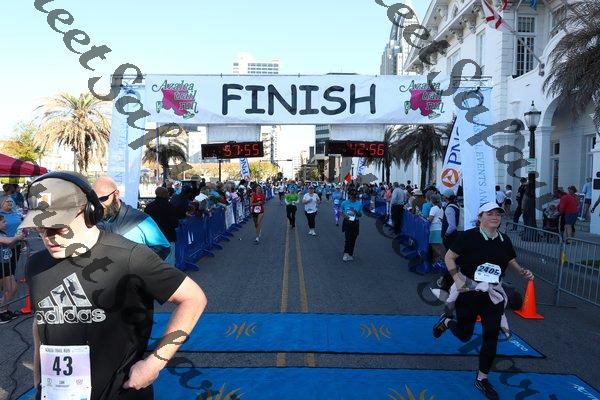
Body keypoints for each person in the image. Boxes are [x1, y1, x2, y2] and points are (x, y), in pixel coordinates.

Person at [21, 171, 207, 400]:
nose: (48, 237)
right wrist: (39, 378)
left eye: (57, 227)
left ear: (89, 211)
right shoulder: (36, 265)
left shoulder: (130, 256)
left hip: (120, 392)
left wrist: (155, 363)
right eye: (40, 228)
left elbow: (193, 298)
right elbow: (41, 320)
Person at [433, 202, 534, 400]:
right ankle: (447, 321)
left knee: (491, 335)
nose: (495, 217)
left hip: (493, 295)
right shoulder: (468, 236)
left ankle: (482, 378)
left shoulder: (504, 240)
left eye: (498, 214)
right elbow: (449, 257)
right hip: (469, 292)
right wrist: (457, 279)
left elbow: (510, 260)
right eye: (490, 213)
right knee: (464, 334)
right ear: (480, 217)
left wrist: (522, 271)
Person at [93, 176, 171, 260]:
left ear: (116, 194)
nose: (99, 204)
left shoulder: (141, 219)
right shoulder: (93, 220)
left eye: (103, 198)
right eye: (94, 200)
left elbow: (163, 248)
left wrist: (134, 261)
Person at [144, 187, 179, 265]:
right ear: (164, 194)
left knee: (154, 260)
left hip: (153, 237)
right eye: (167, 193)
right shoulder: (170, 206)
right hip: (168, 236)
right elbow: (175, 223)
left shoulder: (149, 206)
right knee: (169, 260)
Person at [0, 214, 24, 323]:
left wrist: (17, 240)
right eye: (3, 222)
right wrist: (17, 237)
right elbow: (8, 241)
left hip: (5, 265)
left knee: (10, 289)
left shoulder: (3, 233)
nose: (6, 223)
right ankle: (2, 310)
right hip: (1, 266)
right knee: (12, 288)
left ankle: (5, 309)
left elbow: (9, 245)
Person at [341, 189, 363, 261]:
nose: (353, 197)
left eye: (354, 195)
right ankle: (345, 253)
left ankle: (350, 254)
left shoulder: (359, 203)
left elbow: (360, 215)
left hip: (355, 222)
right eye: (352, 195)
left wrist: (356, 212)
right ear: (349, 195)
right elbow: (342, 211)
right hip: (347, 221)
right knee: (348, 238)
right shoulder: (344, 203)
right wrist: (345, 216)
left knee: (353, 239)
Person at [428, 194, 445, 265]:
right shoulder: (440, 208)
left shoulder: (433, 208)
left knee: (435, 247)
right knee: (439, 246)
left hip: (434, 229)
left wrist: (426, 219)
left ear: (431, 200)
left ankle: (441, 261)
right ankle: (439, 261)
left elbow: (430, 219)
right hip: (439, 228)